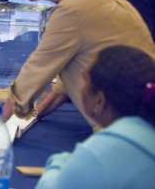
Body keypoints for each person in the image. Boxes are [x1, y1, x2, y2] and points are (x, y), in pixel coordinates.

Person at [1, 0, 155, 125]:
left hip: (127, 126)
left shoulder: (73, 10)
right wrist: (36, 113)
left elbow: (35, 71)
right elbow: (67, 77)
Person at [36, 45, 155, 189]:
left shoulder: (101, 154)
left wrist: (58, 162)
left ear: (99, 101)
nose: (81, 88)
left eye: (85, 82)